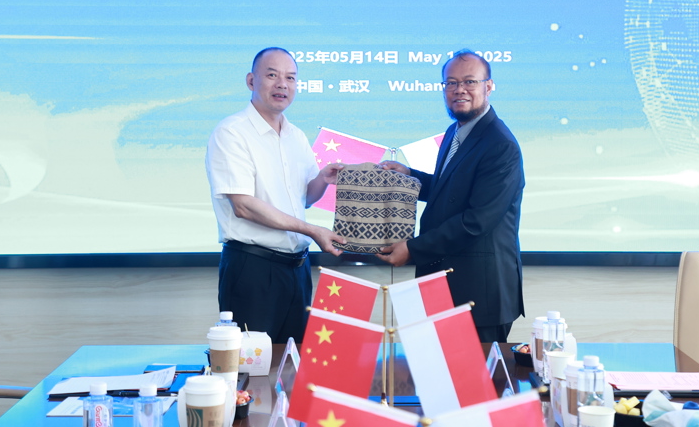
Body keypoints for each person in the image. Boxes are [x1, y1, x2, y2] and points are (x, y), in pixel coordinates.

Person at [378, 50, 525, 342]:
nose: (459, 90)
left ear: (489, 86)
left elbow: (476, 221)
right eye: (451, 83)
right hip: (444, 285)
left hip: (478, 294)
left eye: (470, 81)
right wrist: (410, 176)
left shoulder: (500, 145)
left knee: (474, 372)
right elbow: (452, 190)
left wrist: (413, 248)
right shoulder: (455, 132)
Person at [206, 47, 345, 343]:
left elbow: (305, 198)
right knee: (252, 365)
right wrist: (312, 230)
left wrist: (323, 179)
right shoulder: (231, 132)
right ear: (251, 81)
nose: (282, 84)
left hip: (297, 270)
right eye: (272, 75)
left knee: (294, 362)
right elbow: (243, 206)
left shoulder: (296, 136)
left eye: (290, 78)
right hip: (253, 269)